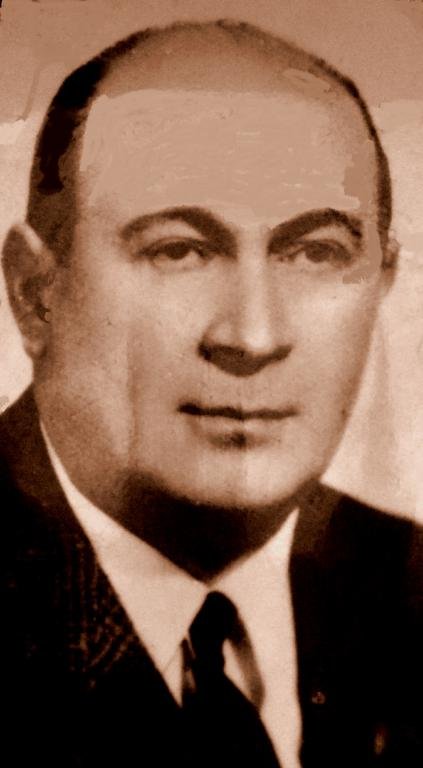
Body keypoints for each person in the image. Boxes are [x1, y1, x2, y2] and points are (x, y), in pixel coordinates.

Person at [1, 19, 421, 768]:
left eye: (316, 252)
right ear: (38, 295)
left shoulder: (409, 589)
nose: (252, 337)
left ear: (380, 283)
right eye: (179, 250)